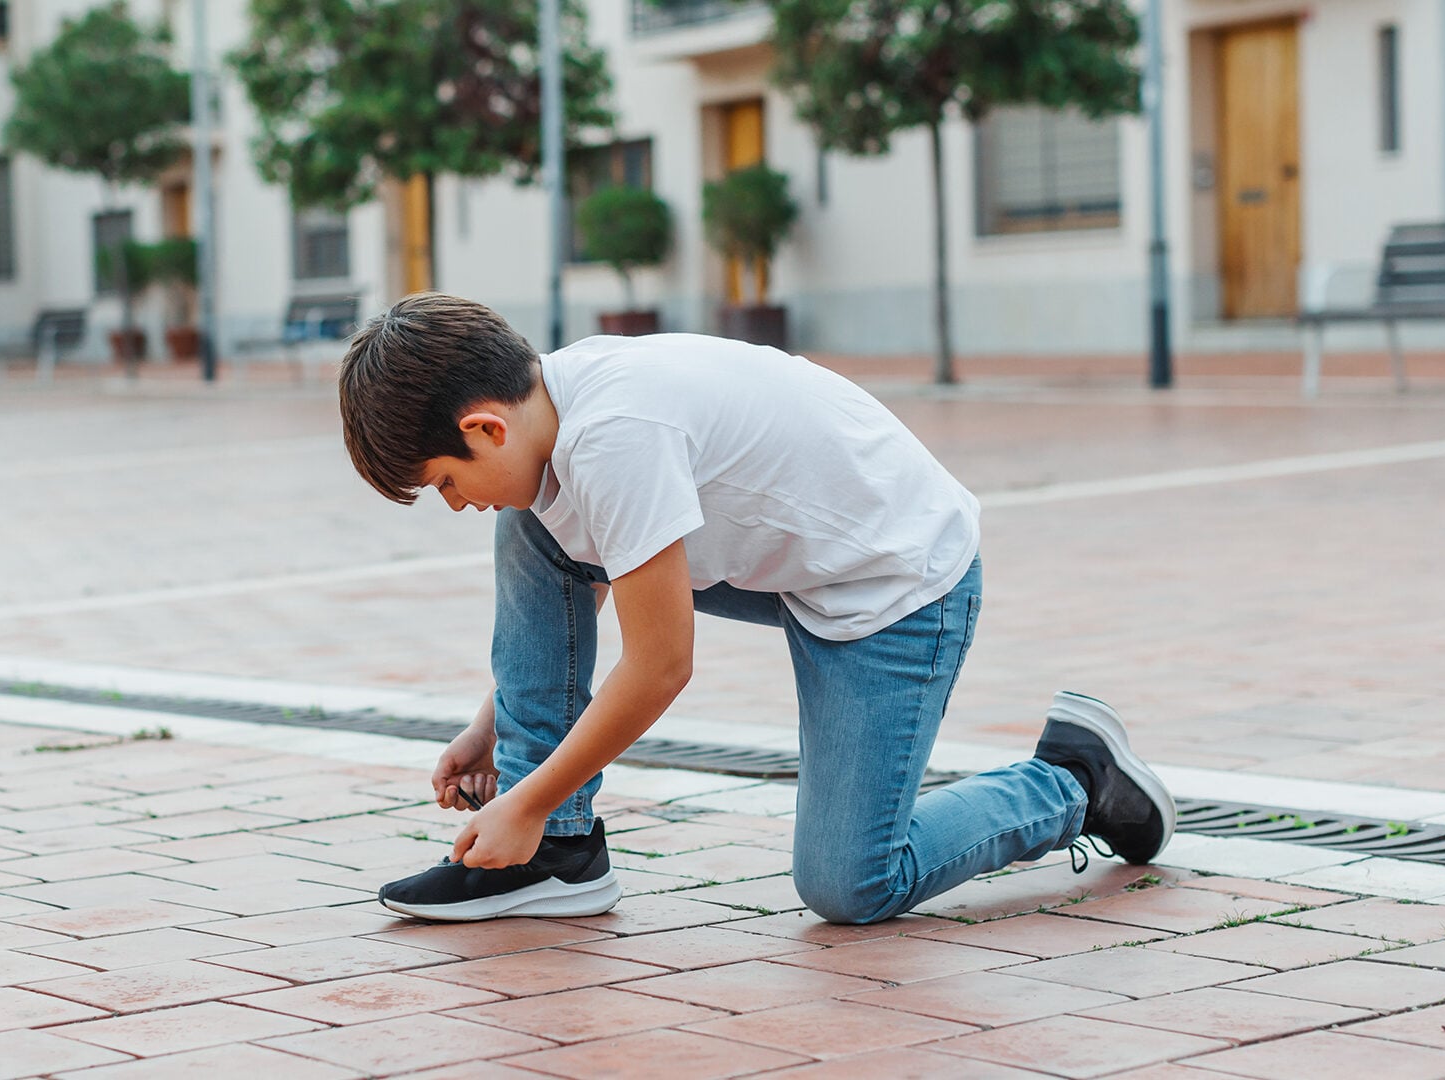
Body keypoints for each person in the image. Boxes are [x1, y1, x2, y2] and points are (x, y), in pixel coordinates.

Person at [338, 292, 1174, 925]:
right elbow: (588, 576)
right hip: (798, 562)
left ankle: (1074, 779)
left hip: (898, 586)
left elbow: (661, 665)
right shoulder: (550, 408)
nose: (455, 503)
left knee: (852, 884)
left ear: (484, 427)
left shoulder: (617, 432)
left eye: (446, 482)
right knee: (535, 529)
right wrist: (494, 728)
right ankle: (557, 858)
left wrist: (520, 802)